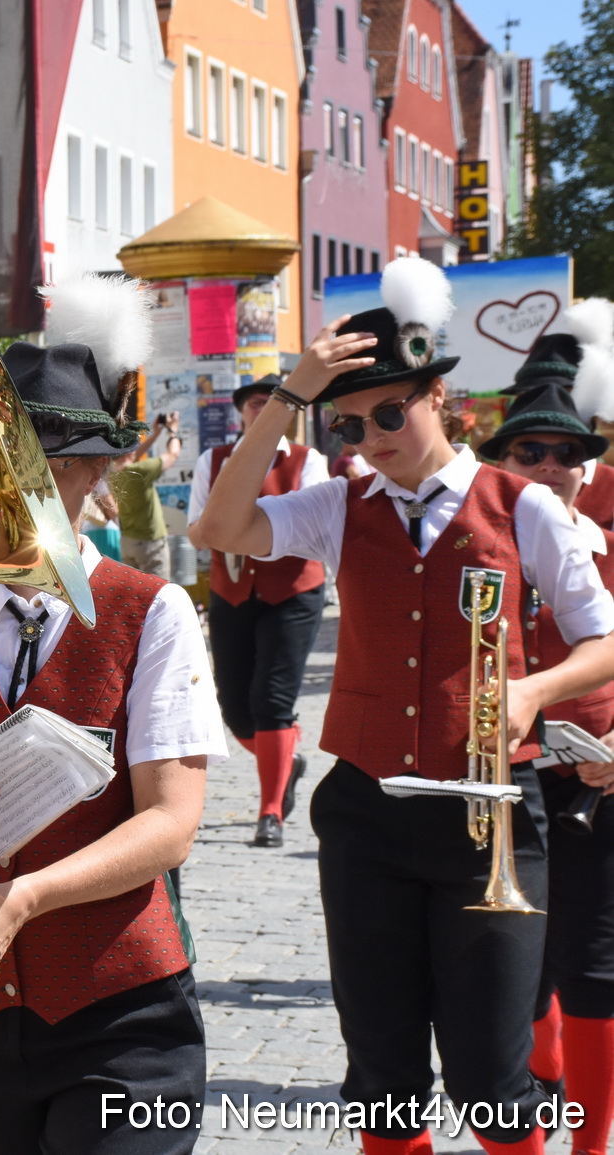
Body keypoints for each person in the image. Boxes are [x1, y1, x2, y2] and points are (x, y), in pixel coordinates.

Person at [196, 257, 614, 1155]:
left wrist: (535, 690)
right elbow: (219, 529)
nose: (372, 437)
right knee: (382, 1076)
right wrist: (288, 398)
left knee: (492, 1078)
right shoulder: (339, 504)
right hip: (368, 813)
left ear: (440, 399)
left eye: (391, 412)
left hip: (492, 812)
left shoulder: (525, 506)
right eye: (350, 423)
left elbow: (604, 639)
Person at [0, 273, 222, 1155]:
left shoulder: (153, 610)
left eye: (47, 465)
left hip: (117, 1004)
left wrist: (25, 895)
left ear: (95, 472)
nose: (10, 487)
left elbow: (171, 824)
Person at [479, 344, 614, 1155]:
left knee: (594, 969)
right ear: (500, 461)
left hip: (600, 780)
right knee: (517, 973)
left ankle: (591, 1145)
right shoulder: (471, 541)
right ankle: (544, 1090)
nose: (551, 466)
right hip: (501, 785)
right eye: (531, 450)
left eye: (567, 452)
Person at [186, 374, 329, 848]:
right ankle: (287, 759)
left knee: (272, 700)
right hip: (231, 590)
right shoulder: (214, 460)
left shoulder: (309, 460)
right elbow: (197, 529)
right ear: (241, 411)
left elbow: (311, 526)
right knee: (233, 708)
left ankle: (270, 813)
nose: (262, 408)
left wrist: (244, 526)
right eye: (254, 402)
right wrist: (218, 529)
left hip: (293, 590)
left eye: (272, 402)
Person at [506, 301, 614, 529]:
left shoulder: (610, 485)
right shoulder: (491, 479)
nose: (546, 401)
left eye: (561, 393)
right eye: (532, 394)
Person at [109, 412, 181, 581]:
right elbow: (173, 454)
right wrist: (173, 431)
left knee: (133, 589)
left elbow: (131, 456)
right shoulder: (141, 471)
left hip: (128, 541)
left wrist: (156, 433)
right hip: (150, 543)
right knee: (156, 589)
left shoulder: (111, 472)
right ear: (130, 451)